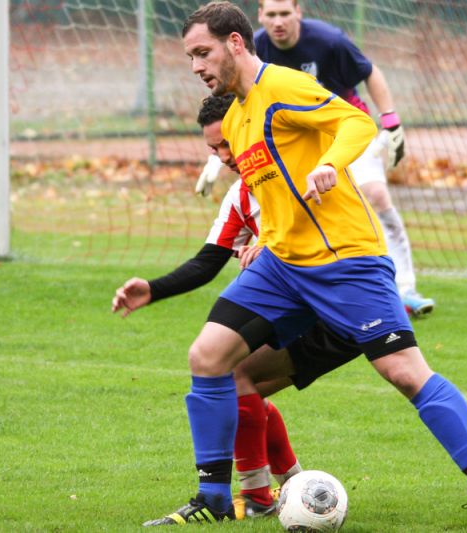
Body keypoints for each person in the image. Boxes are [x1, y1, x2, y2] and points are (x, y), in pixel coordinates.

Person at [148, 2, 467, 531]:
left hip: (346, 260)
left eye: (202, 53)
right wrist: (265, 241)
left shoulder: (283, 86)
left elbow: (355, 120)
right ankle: (214, 496)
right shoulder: (234, 118)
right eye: (190, 56)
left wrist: (329, 163)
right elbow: (272, 192)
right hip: (283, 266)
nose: (195, 66)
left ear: (234, 43)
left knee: (404, 372)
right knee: (209, 356)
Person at [113, 94, 365, 522]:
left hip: (343, 310)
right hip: (301, 312)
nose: (224, 156)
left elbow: (323, 232)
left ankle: (259, 494)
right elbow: (208, 262)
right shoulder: (240, 195)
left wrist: (270, 246)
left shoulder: (301, 173)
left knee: (232, 378)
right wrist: (152, 289)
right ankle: (287, 487)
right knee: (232, 381)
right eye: (213, 149)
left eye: (226, 144)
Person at [196, 0, 435, 317]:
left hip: (341, 130)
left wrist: (390, 121)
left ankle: (405, 288)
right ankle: (308, 285)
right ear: (260, 16)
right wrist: (217, 159)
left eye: (285, 13)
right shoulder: (252, 51)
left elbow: (369, 73)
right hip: (294, 141)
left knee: (376, 194)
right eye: (271, 14)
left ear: (299, 12)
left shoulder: (328, 41)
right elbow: (238, 115)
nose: (278, 21)